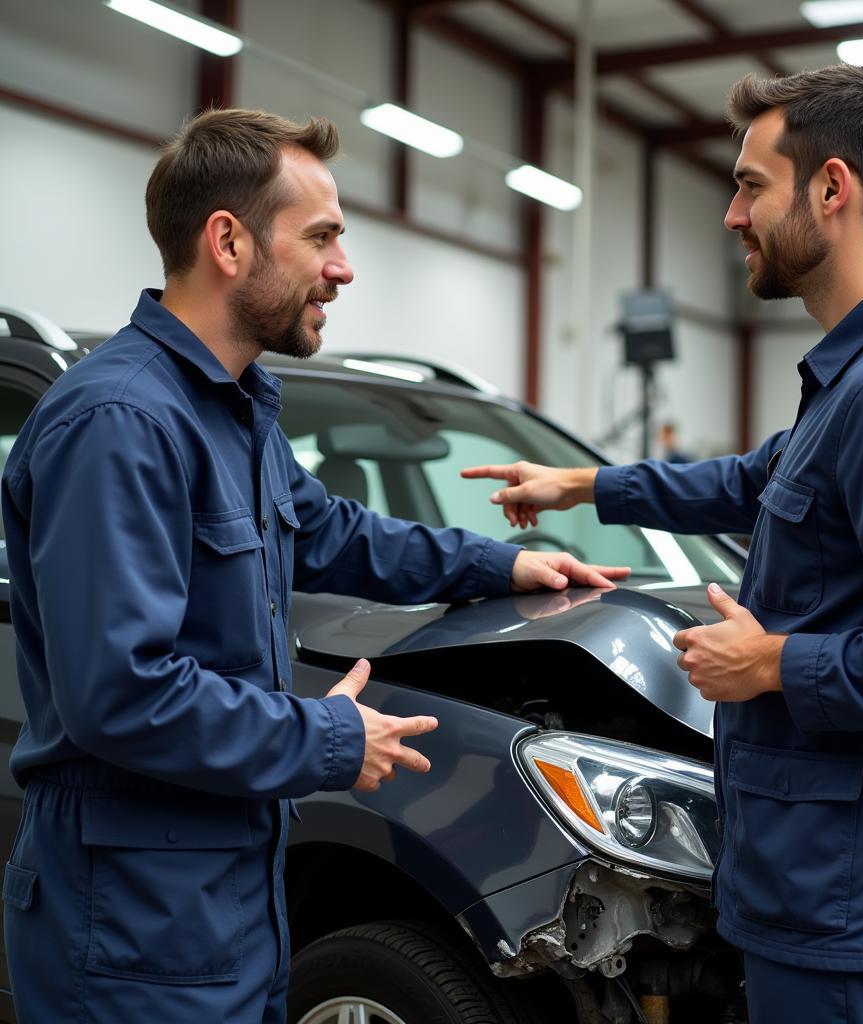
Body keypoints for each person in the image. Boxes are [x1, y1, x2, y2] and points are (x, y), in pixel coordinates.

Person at [0, 109, 628, 1023]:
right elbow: (121, 693)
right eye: (323, 236)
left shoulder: (234, 408)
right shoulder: (119, 424)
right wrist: (330, 740)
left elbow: (331, 531)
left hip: (224, 903)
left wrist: (505, 564)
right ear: (227, 240)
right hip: (132, 919)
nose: (343, 267)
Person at [463, 65, 863, 1024]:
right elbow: (755, 481)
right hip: (830, 896)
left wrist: (772, 663)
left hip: (850, 915)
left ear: (833, 189)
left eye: (751, 185)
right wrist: (587, 484)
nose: (732, 215)